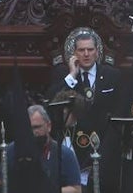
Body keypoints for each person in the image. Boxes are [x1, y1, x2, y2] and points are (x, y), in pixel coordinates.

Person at [49, 30, 122, 191]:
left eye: (90, 49)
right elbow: (53, 101)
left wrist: (108, 147)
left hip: (104, 145)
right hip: (75, 146)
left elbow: (119, 111)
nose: (86, 54)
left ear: (97, 52)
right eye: (81, 50)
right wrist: (72, 75)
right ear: (74, 53)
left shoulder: (112, 75)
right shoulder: (63, 75)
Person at [0, 106, 81, 193]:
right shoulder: (12, 150)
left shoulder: (64, 154)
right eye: (28, 128)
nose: (32, 132)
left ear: (48, 126)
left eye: (36, 127)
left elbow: (76, 190)